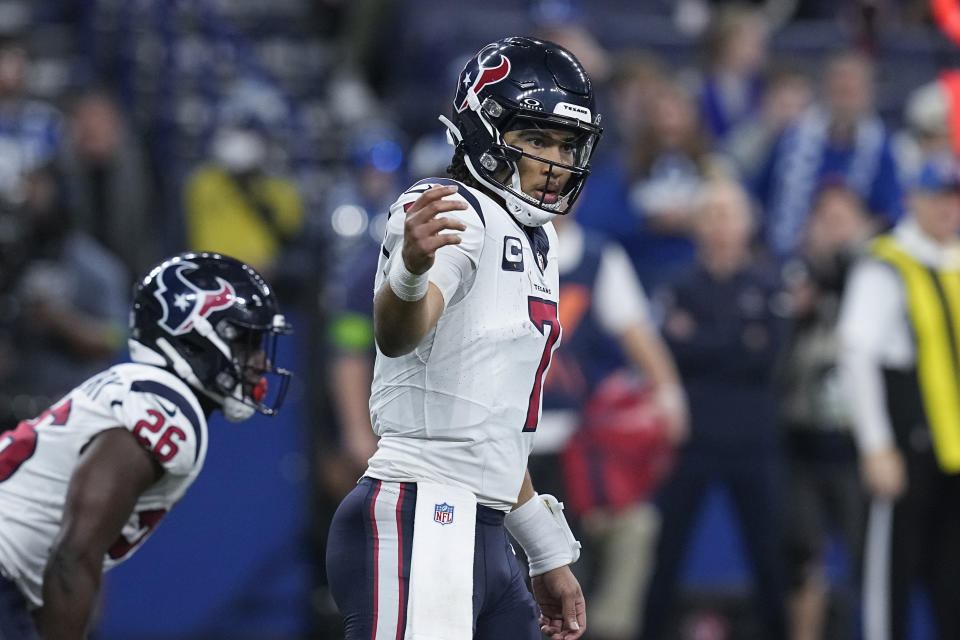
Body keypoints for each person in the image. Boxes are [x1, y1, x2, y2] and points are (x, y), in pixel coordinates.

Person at [325, 36, 603, 640]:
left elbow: (491, 428)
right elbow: (400, 332)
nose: (553, 160)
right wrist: (410, 272)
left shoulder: (539, 240)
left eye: (564, 144)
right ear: (483, 130)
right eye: (534, 139)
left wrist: (547, 551)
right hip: (421, 511)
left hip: (482, 525)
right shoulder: (455, 210)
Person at [0, 252, 292, 639]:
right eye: (245, 342)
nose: (260, 363)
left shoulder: (141, 388)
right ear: (191, 334)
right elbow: (73, 556)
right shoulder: (166, 408)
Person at [641, 177, 788, 640]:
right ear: (697, 223)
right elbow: (669, 349)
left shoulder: (769, 283)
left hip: (754, 439)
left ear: (748, 222)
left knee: (770, 559)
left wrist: (701, 340)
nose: (722, 224)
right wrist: (739, 339)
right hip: (691, 440)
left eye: (730, 213)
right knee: (665, 557)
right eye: (712, 213)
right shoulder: (677, 285)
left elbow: (767, 358)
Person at [838, 153, 960, 640]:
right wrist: (876, 445)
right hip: (909, 448)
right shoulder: (888, 263)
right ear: (913, 200)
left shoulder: (953, 261)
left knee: (952, 580)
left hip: (954, 456)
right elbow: (856, 355)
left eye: (953, 199)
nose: (947, 210)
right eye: (937, 198)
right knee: (892, 581)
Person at [779, 184, 872, 640]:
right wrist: (797, 311)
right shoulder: (792, 281)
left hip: (862, 447)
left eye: (843, 219)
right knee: (803, 560)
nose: (834, 230)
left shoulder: (879, 279)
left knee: (869, 561)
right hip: (803, 442)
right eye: (825, 219)